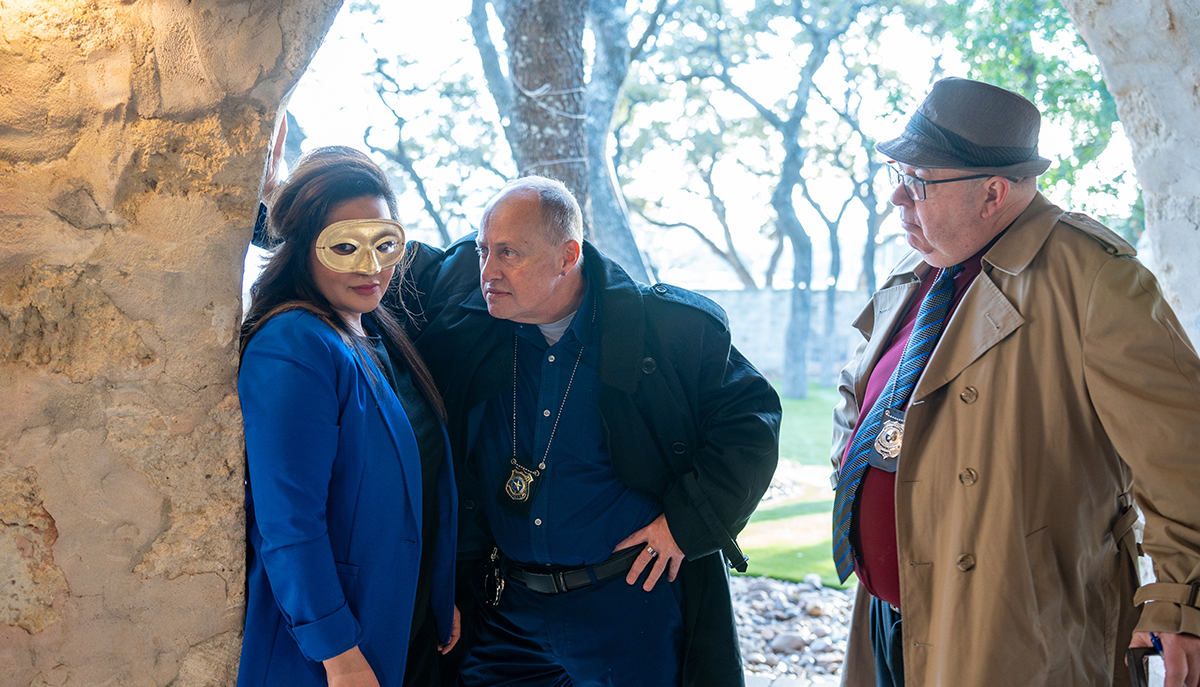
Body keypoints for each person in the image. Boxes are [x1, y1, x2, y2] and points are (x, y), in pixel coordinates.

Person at [829, 76, 1200, 687]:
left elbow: (1184, 454)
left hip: (1015, 634)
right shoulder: (922, 265)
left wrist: (1182, 604)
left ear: (994, 192)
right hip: (891, 616)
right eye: (897, 172)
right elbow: (859, 391)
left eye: (919, 181)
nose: (898, 196)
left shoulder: (1093, 281)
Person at [395, 176, 782, 686]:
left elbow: (752, 421)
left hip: (626, 605)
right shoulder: (471, 313)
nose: (487, 271)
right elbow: (376, 254)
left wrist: (686, 525)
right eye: (482, 249)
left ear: (566, 255)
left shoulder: (666, 329)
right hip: (508, 609)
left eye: (508, 253)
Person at [238, 145, 459, 686]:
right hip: (339, 648)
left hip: (407, 620)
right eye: (344, 246)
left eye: (385, 243)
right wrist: (337, 652)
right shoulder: (292, 343)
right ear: (301, 249)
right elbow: (289, 521)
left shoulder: (375, 329)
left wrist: (436, 592)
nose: (372, 266)